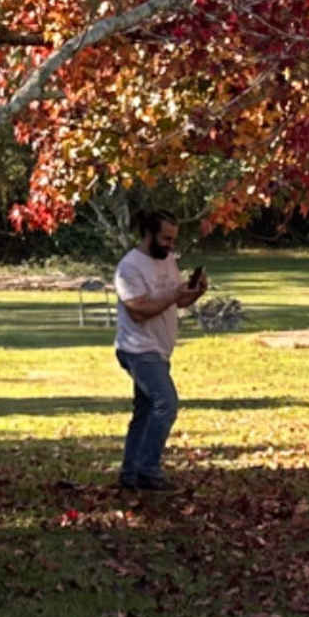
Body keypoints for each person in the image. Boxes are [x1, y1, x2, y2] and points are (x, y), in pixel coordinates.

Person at [111, 208, 206, 492]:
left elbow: (176, 301)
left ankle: (130, 474)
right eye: (166, 238)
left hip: (160, 349)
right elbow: (139, 310)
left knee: (145, 411)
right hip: (138, 349)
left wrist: (195, 292)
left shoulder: (168, 261)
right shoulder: (129, 267)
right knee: (165, 404)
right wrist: (174, 294)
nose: (170, 244)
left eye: (173, 239)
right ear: (149, 234)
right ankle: (148, 471)